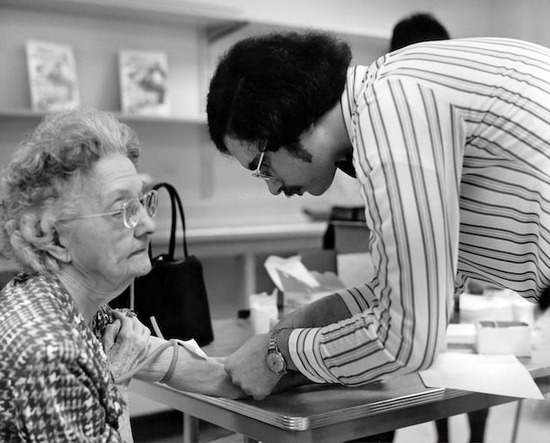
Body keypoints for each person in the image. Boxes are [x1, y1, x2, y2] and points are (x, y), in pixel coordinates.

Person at [206, 30, 550, 418]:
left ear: (290, 115)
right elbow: (427, 283)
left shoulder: (392, 112)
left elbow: (409, 338)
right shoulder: (390, 95)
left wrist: (279, 354)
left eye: (261, 164)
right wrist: (312, 320)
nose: (271, 186)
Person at [0, 108, 242, 443]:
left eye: (142, 202)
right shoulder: (50, 354)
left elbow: (209, 375)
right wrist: (114, 385)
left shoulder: (76, 308)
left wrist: (287, 358)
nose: (148, 225)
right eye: (120, 210)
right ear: (53, 237)